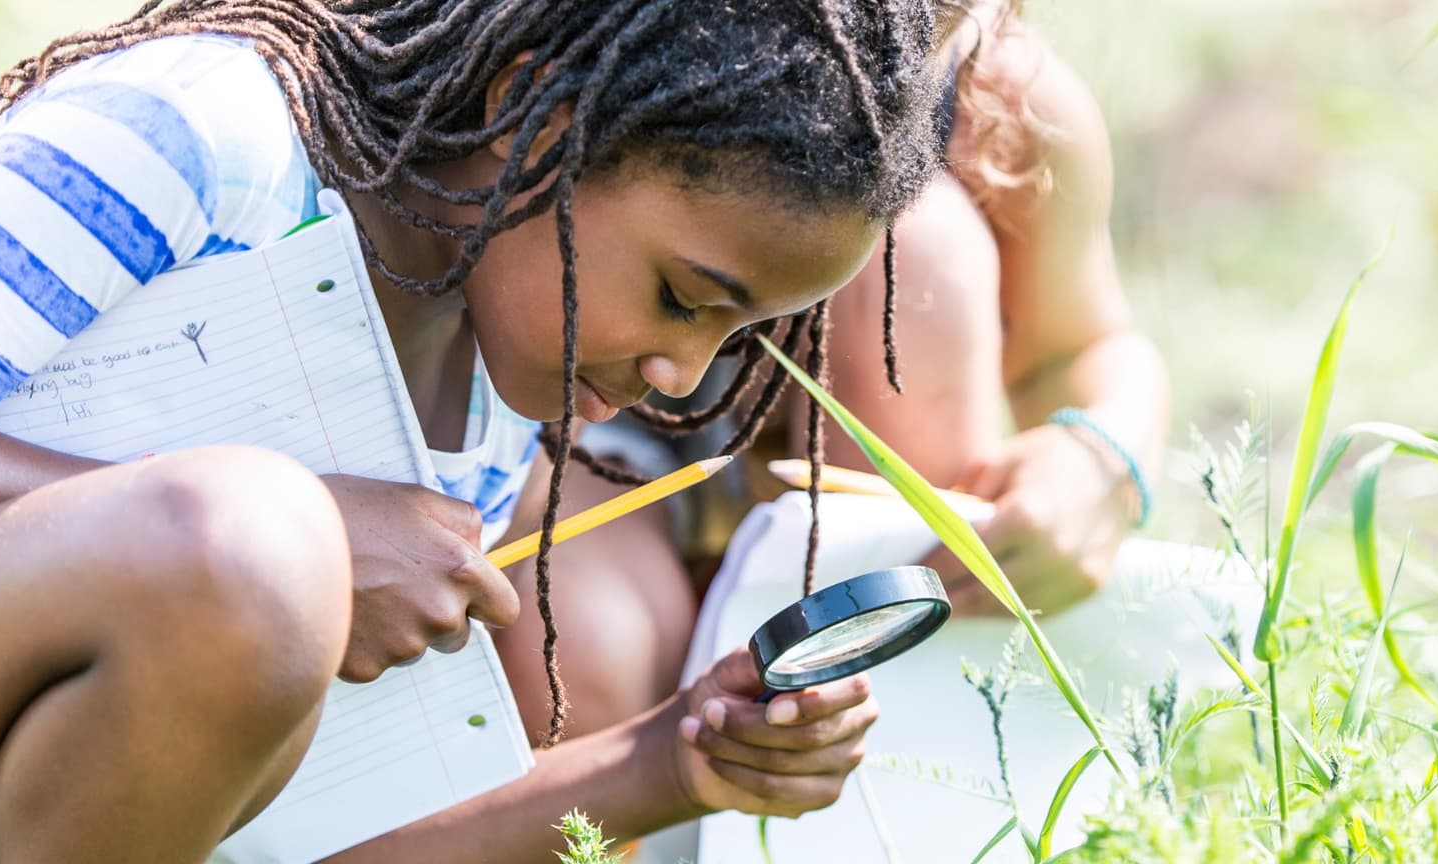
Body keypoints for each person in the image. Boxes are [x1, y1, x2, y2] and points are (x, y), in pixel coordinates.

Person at [0, 1, 947, 861]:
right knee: (249, 544)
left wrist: (669, 760)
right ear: (535, 119)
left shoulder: (493, 399)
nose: (678, 374)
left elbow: (290, 842)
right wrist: (304, 541)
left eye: (737, 336)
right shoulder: (212, 133)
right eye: (684, 299)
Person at [495, 0, 1173, 747]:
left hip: (845, 459)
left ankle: (888, 740)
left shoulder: (999, 101)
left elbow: (1083, 345)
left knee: (919, 260)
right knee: (579, 653)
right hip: (590, 426)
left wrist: (1101, 459)